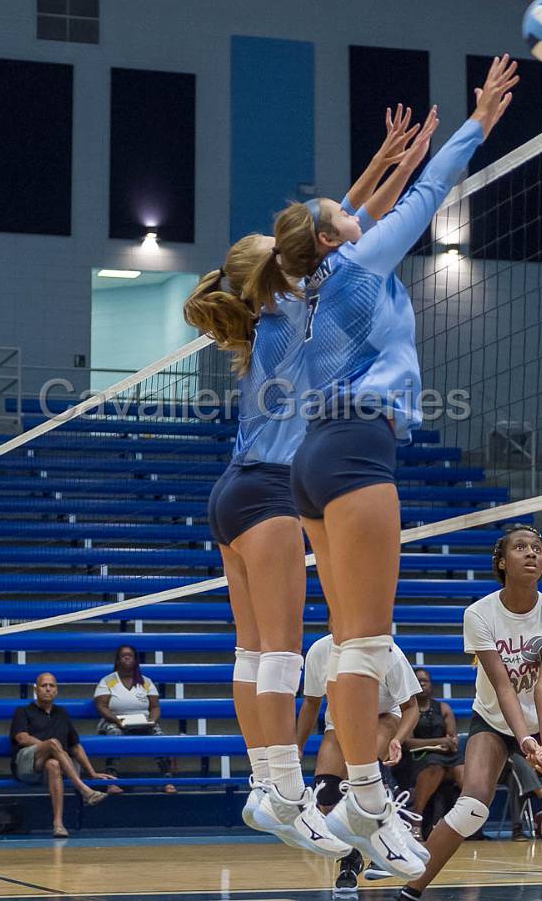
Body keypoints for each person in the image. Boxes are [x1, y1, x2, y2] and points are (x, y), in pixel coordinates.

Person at [246, 57, 519, 881]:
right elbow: (425, 200)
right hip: (359, 449)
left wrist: (381, 164)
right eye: (343, 213)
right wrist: (477, 123)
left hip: (309, 465)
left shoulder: (305, 284)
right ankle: (365, 800)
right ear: (333, 238)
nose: (356, 211)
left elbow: (338, 216)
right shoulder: (359, 266)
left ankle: (364, 799)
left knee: (353, 642)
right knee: (364, 643)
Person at [181, 106, 435, 861]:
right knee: (287, 655)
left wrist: (388, 159)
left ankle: (270, 786)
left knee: (255, 653)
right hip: (268, 492)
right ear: (276, 271)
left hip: (232, 492)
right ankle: (292, 795)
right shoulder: (295, 309)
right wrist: (397, 172)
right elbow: (345, 230)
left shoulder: (270, 316)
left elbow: (336, 225)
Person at [398, 526, 542, 901]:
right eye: (520, 548)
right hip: (491, 720)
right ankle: (411, 890)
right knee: (472, 806)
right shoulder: (479, 614)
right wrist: (525, 741)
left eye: (537, 549)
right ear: (502, 561)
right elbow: (504, 686)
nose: (531, 554)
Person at [296, 633, 422, 897]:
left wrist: (398, 739)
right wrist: (296, 745)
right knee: (326, 794)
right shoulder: (320, 651)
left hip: (385, 715)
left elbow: (411, 707)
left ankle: (384, 837)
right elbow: (311, 702)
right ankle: (350, 861)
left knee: (365, 772)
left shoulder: (388, 652)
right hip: (339, 722)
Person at [10, 673, 112, 838]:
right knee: (53, 744)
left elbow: (75, 746)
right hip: (27, 764)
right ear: (36, 689)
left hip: (49, 766)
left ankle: (58, 824)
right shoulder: (23, 711)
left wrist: (92, 772)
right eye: (44, 686)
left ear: (57, 690)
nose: (48, 689)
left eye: (52, 686)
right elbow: (21, 737)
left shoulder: (62, 713)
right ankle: (85, 790)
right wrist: (48, 746)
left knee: (54, 765)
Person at [93, 645, 175, 793]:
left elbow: (155, 706)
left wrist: (152, 721)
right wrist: (117, 721)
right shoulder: (108, 681)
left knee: (158, 735)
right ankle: (112, 782)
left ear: (136, 660)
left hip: (142, 721)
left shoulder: (146, 681)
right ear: (117, 660)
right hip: (114, 720)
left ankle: (167, 780)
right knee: (115, 734)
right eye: (123, 655)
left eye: (130, 655)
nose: (126, 658)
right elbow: (101, 706)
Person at [398, 668, 463, 834]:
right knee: (435, 766)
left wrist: (449, 742)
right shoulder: (406, 710)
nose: (421, 685)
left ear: (431, 685)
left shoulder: (443, 708)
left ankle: (466, 821)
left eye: (424, 681)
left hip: (445, 757)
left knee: (462, 769)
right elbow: (408, 743)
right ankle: (416, 818)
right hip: (416, 759)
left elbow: (452, 739)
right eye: (417, 682)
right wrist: (439, 741)